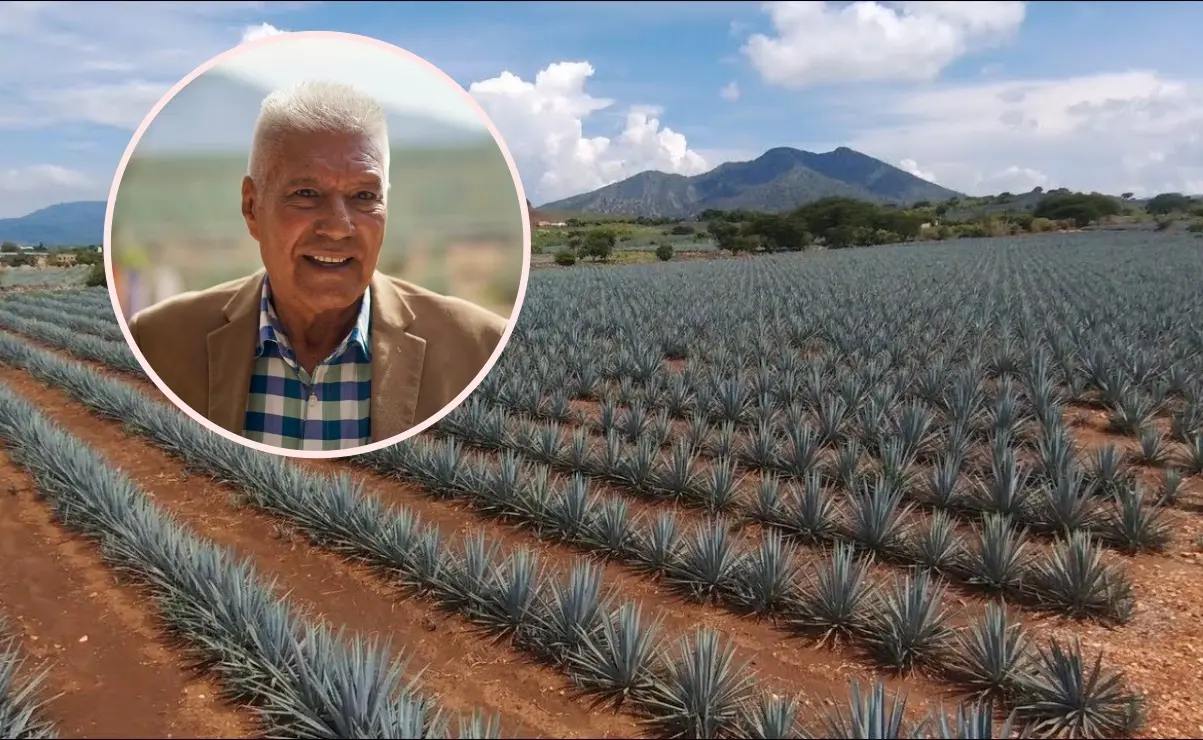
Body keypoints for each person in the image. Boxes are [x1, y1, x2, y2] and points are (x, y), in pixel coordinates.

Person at [127, 80, 507, 452]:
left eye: (364, 196)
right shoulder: (158, 343)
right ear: (251, 207)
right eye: (306, 194)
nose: (339, 227)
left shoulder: (480, 349)